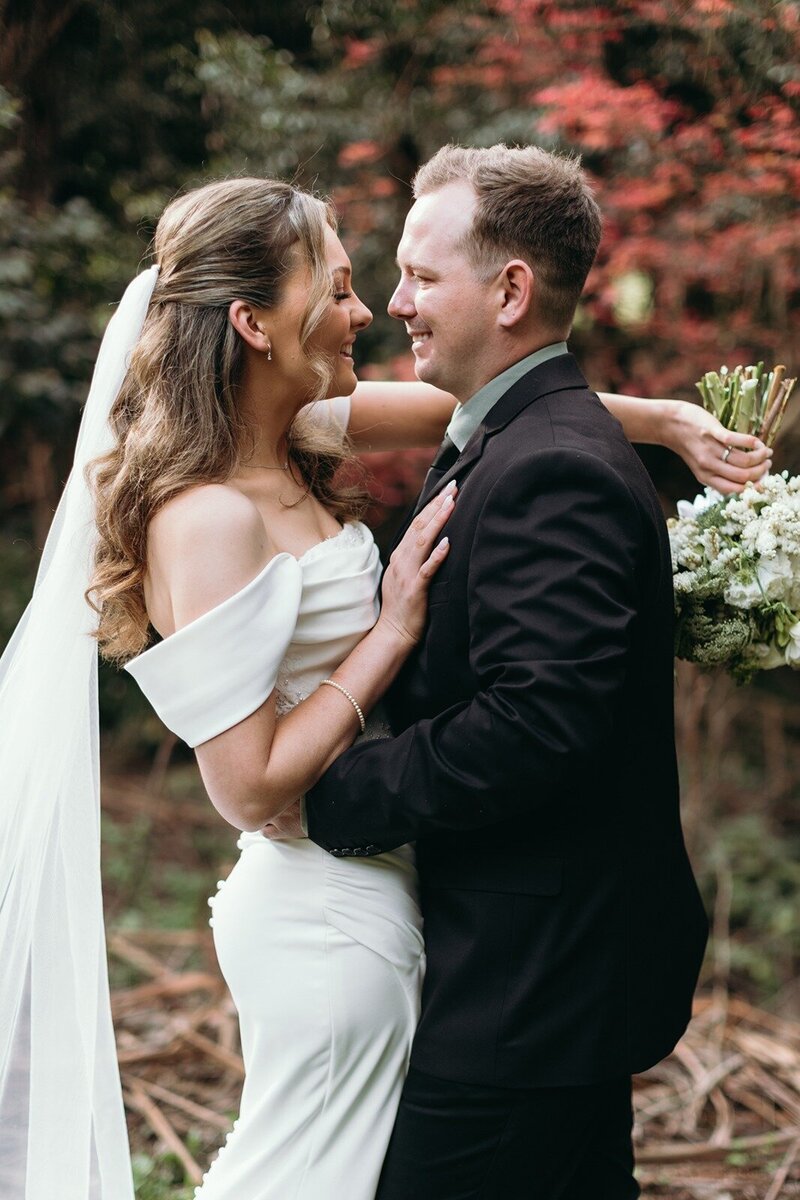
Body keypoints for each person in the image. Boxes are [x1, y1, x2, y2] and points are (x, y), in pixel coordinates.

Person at [0, 170, 768, 1200]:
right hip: (324, 902)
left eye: (388, 281)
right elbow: (242, 787)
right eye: (344, 285)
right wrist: (390, 630)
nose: (372, 309)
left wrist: (662, 423)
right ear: (253, 323)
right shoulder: (209, 512)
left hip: (396, 887)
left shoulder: (293, 432)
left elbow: (487, 400)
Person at [264, 144, 751, 1199]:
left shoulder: (552, 466)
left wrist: (324, 795)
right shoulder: (512, 436)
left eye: (421, 276)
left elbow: (534, 724)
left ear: (512, 290)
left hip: (526, 988)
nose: (396, 303)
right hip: (530, 974)